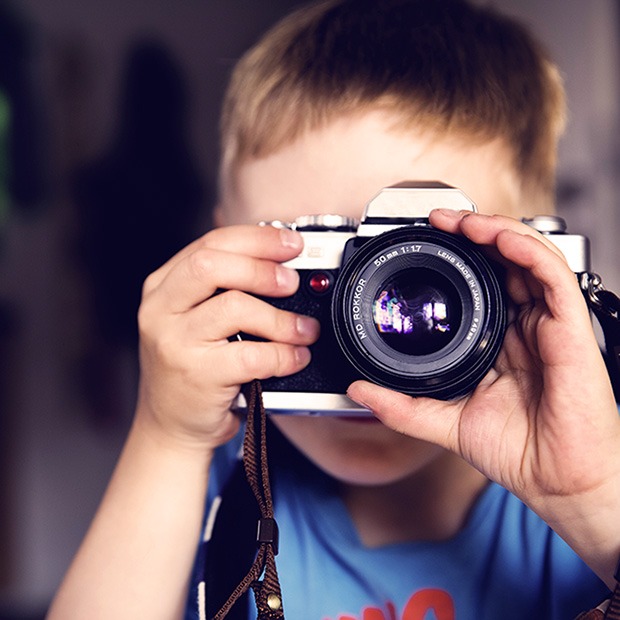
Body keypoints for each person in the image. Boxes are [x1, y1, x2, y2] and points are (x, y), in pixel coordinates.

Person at [47, 1, 620, 619]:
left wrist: (594, 500)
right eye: (323, 270)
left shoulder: (582, 486)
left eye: (423, 269)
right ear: (222, 254)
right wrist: (168, 438)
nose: (364, 328)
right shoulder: (215, 486)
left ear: (532, 261)